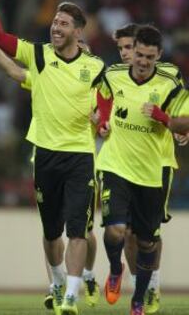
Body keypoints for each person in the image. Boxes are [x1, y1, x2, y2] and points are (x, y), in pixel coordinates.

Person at [0, 0, 105, 314]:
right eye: (54, 23)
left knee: (77, 230)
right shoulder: (39, 56)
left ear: (78, 30)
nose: (55, 28)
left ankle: (70, 297)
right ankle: (58, 283)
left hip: (80, 157)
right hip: (44, 155)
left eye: (63, 24)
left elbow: (109, 103)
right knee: (50, 233)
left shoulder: (97, 67)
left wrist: (101, 119)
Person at [96, 25, 182, 315]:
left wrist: (163, 117)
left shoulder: (170, 84)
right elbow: (103, 95)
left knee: (146, 241)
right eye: (139, 54)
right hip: (115, 165)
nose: (142, 61)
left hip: (151, 172)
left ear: (159, 56)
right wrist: (103, 121)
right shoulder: (113, 74)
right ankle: (114, 268)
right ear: (132, 51)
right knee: (116, 230)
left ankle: (140, 298)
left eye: (149, 56)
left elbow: (183, 123)